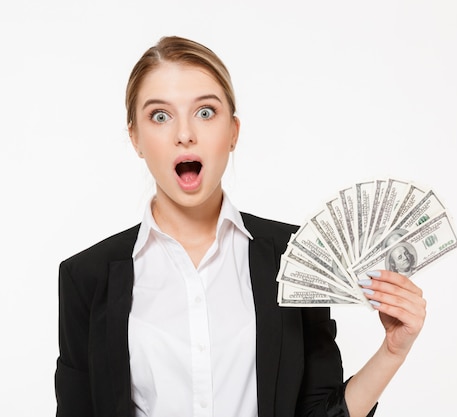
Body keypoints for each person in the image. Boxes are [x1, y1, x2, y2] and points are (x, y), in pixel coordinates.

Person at [55, 36, 427, 417]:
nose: (184, 134)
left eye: (205, 112)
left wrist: (392, 351)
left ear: (233, 132)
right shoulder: (86, 277)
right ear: (135, 137)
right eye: (160, 116)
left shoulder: (295, 256)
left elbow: (319, 413)